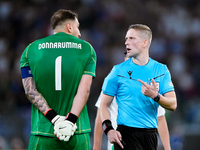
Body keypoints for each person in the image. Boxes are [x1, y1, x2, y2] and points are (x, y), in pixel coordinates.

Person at [20, 9, 96, 150]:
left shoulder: (30, 50)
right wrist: (70, 121)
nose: (79, 33)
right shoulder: (87, 49)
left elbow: (30, 91)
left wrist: (54, 118)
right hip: (77, 132)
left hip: (43, 133)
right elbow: (84, 90)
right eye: (77, 27)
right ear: (69, 26)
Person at [100, 24, 177, 150]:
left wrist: (155, 96)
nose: (126, 42)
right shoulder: (117, 71)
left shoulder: (161, 70)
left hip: (150, 135)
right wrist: (108, 129)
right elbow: (104, 104)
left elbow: (173, 104)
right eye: (126, 39)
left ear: (144, 43)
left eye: (132, 38)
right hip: (125, 135)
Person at [93, 52, 171, 150]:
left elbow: (160, 118)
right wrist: (96, 147)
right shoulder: (114, 82)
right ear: (125, 60)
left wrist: (167, 148)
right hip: (120, 141)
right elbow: (100, 116)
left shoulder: (149, 88)